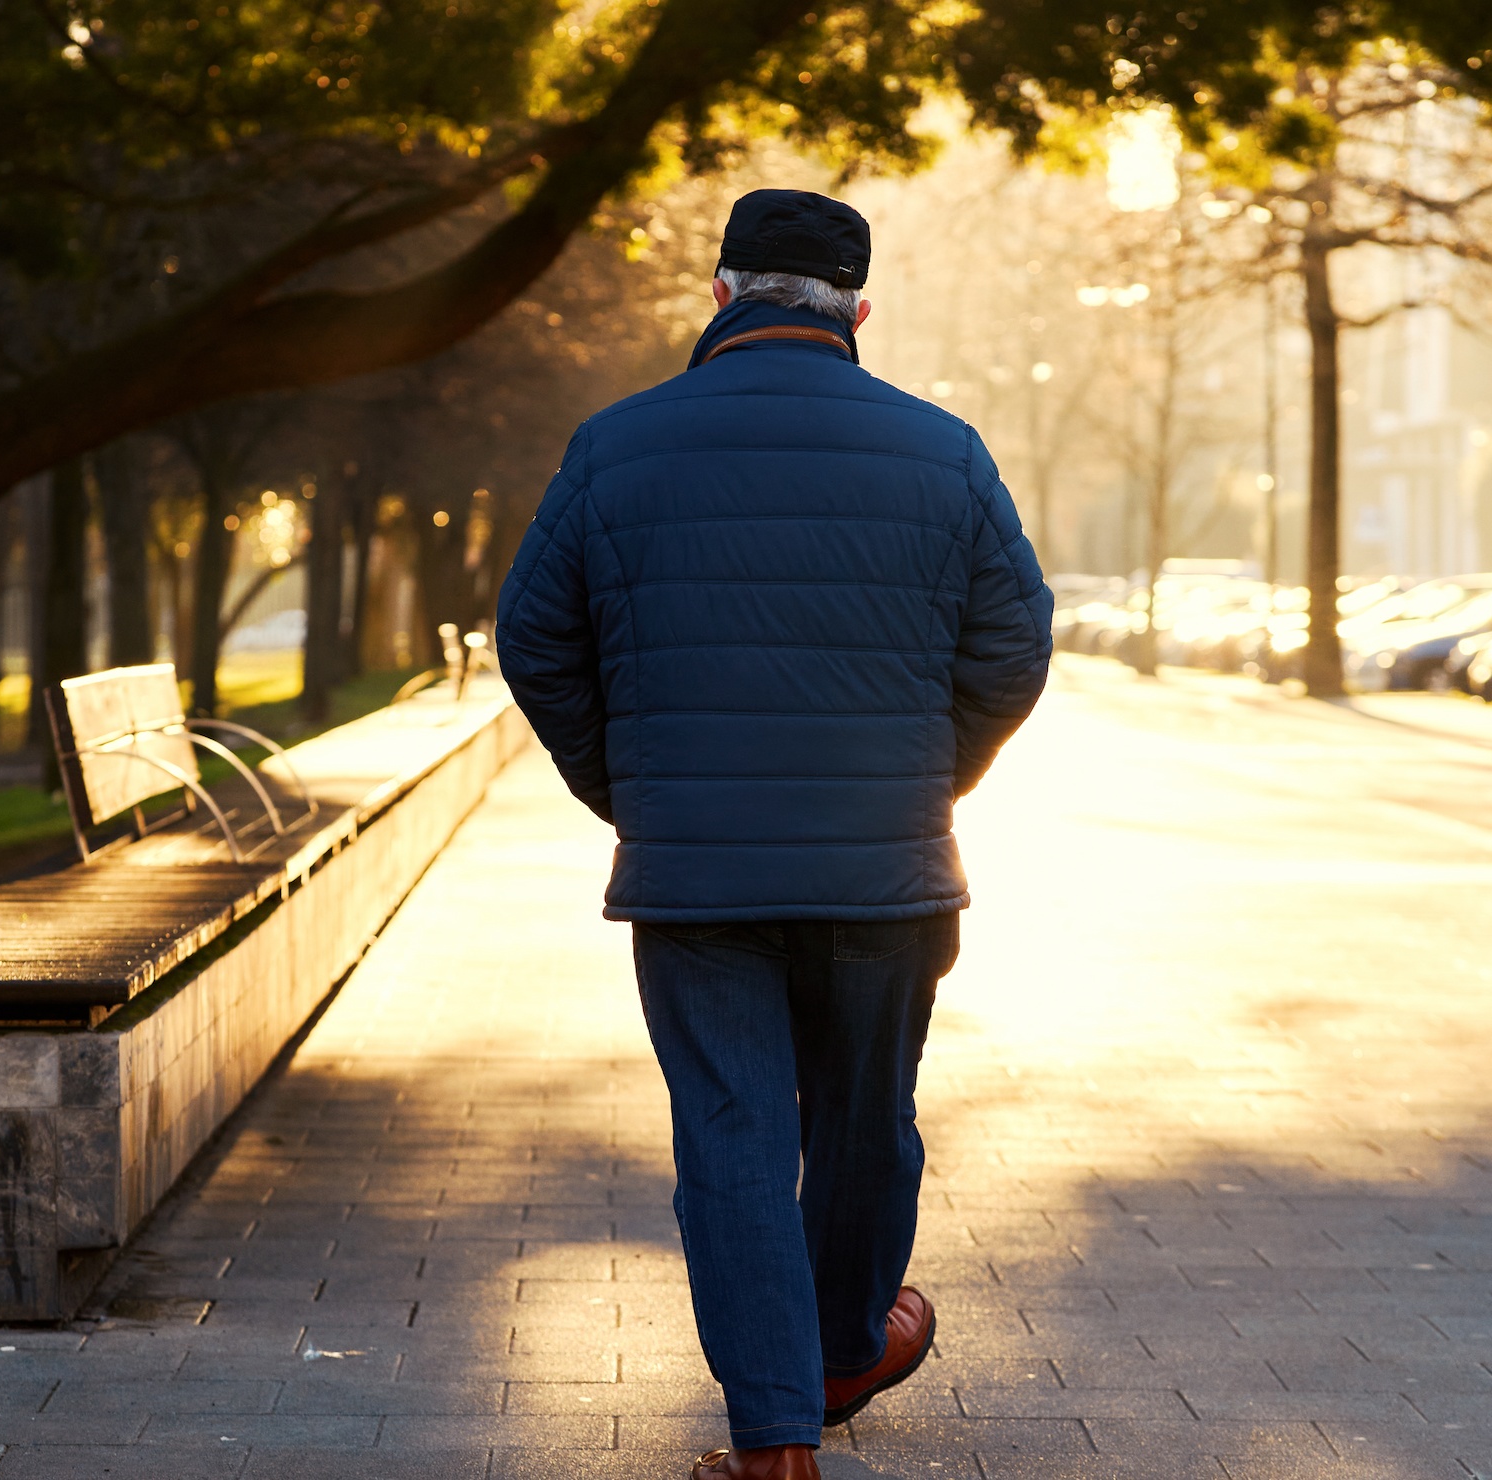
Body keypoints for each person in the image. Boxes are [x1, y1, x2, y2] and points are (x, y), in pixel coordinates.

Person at [496, 190, 1055, 1480]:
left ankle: (776, 1448)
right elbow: (1015, 650)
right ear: (859, 310)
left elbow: (536, 637)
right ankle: (848, 1345)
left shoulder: (614, 446)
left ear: (720, 294)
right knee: (865, 1123)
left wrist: (635, 789)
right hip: (886, 868)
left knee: (734, 1134)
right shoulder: (945, 450)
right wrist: (930, 779)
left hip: (698, 882)